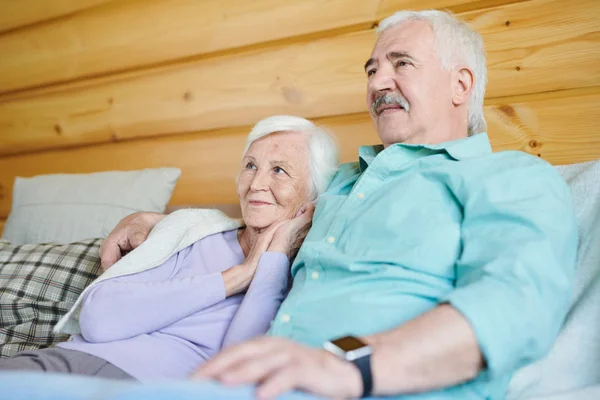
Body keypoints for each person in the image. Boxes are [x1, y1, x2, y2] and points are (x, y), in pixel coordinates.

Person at [84, 9, 578, 400]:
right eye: (372, 69)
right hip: (253, 384)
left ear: (461, 84)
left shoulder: (511, 178)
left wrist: (349, 362)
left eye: (401, 63)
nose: (378, 82)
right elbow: (262, 213)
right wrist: (161, 224)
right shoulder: (343, 185)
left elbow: (514, 306)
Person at [0, 115, 340, 382]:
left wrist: (272, 259)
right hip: (62, 365)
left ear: (311, 195)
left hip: (146, 386)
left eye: (279, 170)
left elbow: (239, 361)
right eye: (250, 165)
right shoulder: (195, 230)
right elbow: (98, 318)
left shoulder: (304, 270)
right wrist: (237, 276)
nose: (256, 184)